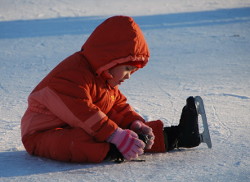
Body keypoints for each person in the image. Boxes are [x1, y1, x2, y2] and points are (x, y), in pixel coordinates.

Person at [21, 16, 201, 163]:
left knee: (123, 132)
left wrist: (134, 124)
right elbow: (84, 114)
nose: (129, 76)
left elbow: (117, 108)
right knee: (82, 140)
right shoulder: (69, 76)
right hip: (42, 135)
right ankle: (114, 150)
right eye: (127, 69)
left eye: (133, 71)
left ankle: (176, 136)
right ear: (111, 60)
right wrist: (116, 136)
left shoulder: (103, 78)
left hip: (77, 124)